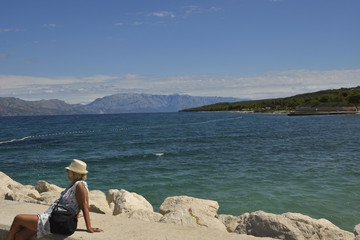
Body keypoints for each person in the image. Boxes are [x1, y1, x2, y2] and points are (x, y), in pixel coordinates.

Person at [7, 159, 103, 240]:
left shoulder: (79, 186)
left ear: (74, 173)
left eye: (68, 171)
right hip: (53, 216)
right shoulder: (74, 184)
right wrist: (74, 214)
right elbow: (73, 203)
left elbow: (84, 206)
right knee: (20, 235)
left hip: (53, 221)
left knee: (18, 218)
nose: (67, 173)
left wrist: (89, 227)